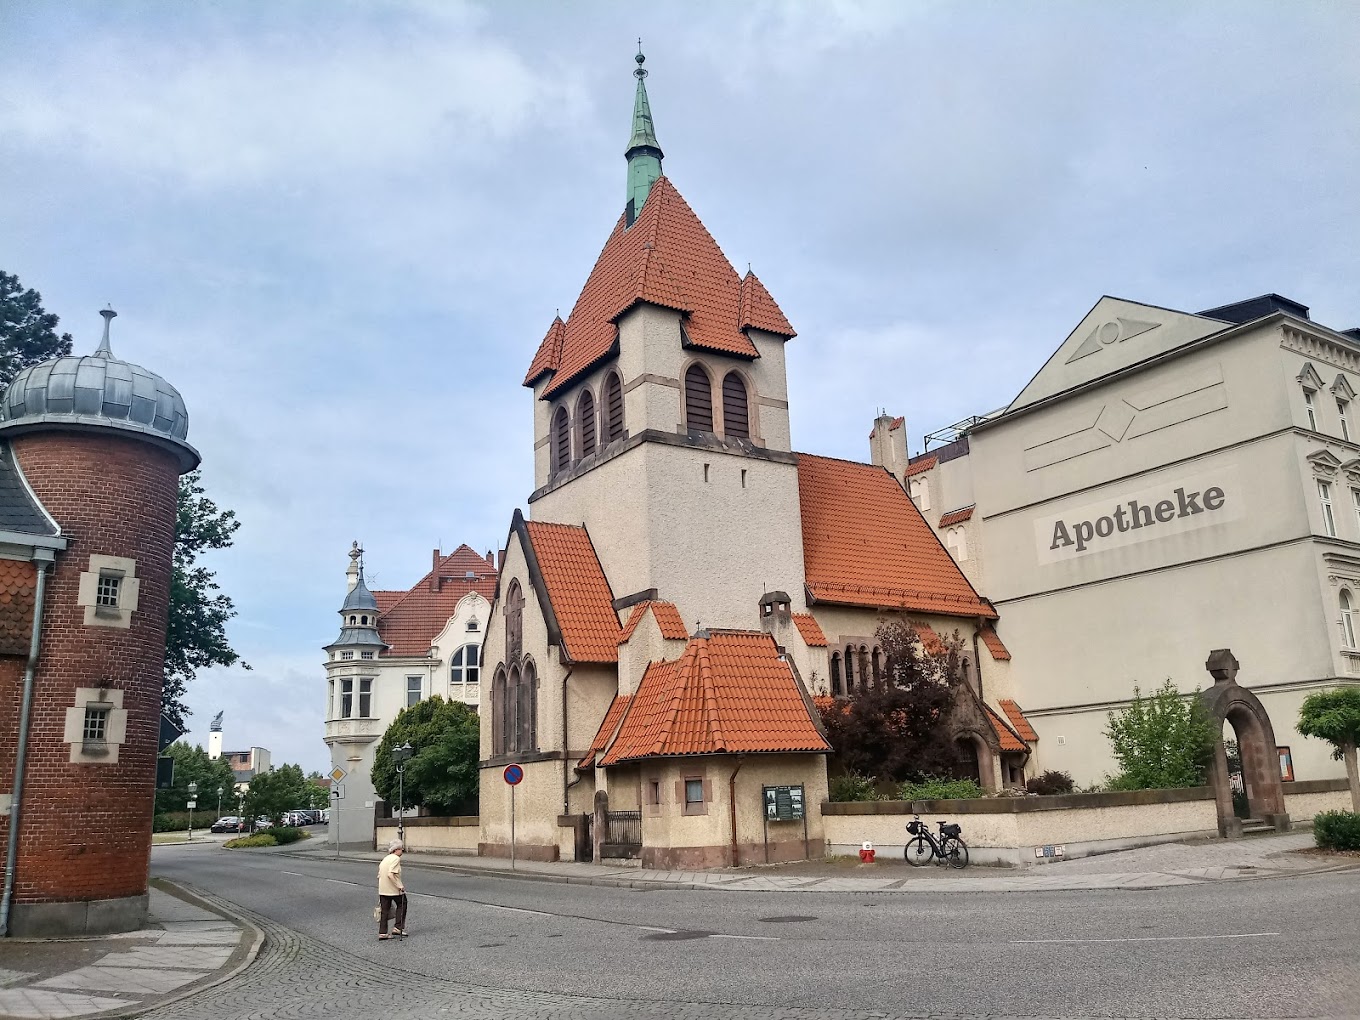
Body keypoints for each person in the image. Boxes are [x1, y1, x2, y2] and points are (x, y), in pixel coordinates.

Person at [377, 839, 407, 939]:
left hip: (383, 889)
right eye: (401, 848)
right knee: (402, 903)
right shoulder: (396, 859)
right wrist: (399, 886)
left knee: (384, 910)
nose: (402, 850)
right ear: (396, 849)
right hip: (393, 889)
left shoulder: (385, 859)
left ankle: (383, 932)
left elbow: (379, 874)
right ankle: (398, 927)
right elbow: (390, 874)